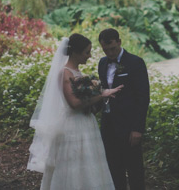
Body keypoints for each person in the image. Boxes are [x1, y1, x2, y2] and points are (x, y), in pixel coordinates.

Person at [28, 33, 123, 190]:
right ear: (76, 52)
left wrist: (95, 95)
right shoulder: (65, 73)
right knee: (74, 167)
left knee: (90, 164)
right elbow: (74, 103)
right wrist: (101, 94)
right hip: (73, 126)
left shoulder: (78, 73)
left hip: (86, 123)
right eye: (87, 52)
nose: (90, 55)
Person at [98, 28, 150, 190]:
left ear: (119, 42)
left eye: (112, 49)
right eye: (106, 50)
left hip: (129, 127)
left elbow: (143, 98)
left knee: (134, 168)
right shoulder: (102, 63)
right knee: (113, 167)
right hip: (108, 125)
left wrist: (137, 129)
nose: (110, 53)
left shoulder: (136, 62)